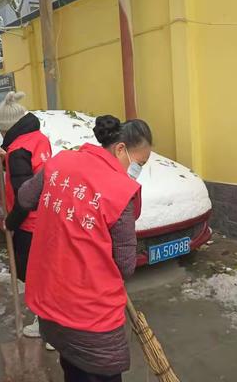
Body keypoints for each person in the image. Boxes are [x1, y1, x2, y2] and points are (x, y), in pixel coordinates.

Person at [17, 115, 152, 382]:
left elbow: (25, 197)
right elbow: (124, 264)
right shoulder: (119, 189)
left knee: (72, 365)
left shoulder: (61, 161)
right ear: (120, 149)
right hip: (91, 314)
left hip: (51, 299)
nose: (137, 170)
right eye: (140, 163)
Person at [0, 91, 52, 340]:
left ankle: (47, 328)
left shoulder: (18, 150)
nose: (2, 136)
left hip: (30, 225)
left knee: (34, 276)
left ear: (8, 129)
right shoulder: (38, 138)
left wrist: (10, 222)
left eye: (1, 131)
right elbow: (32, 173)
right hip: (48, 219)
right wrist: (9, 161)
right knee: (49, 273)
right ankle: (53, 325)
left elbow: (25, 197)